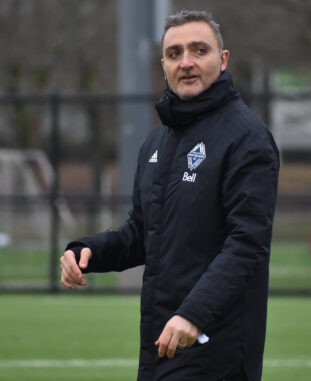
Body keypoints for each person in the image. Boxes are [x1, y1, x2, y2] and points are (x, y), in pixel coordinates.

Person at [59, 10, 279, 381]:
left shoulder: (247, 138)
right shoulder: (158, 140)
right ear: (164, 65)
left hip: (216, 348)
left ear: (223, 60)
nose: (187, 62)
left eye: (199, 50)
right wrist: (90, 251)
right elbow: (144, 231)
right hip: (162, 340)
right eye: (175, 54)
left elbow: (247, 243)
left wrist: (195, 313)